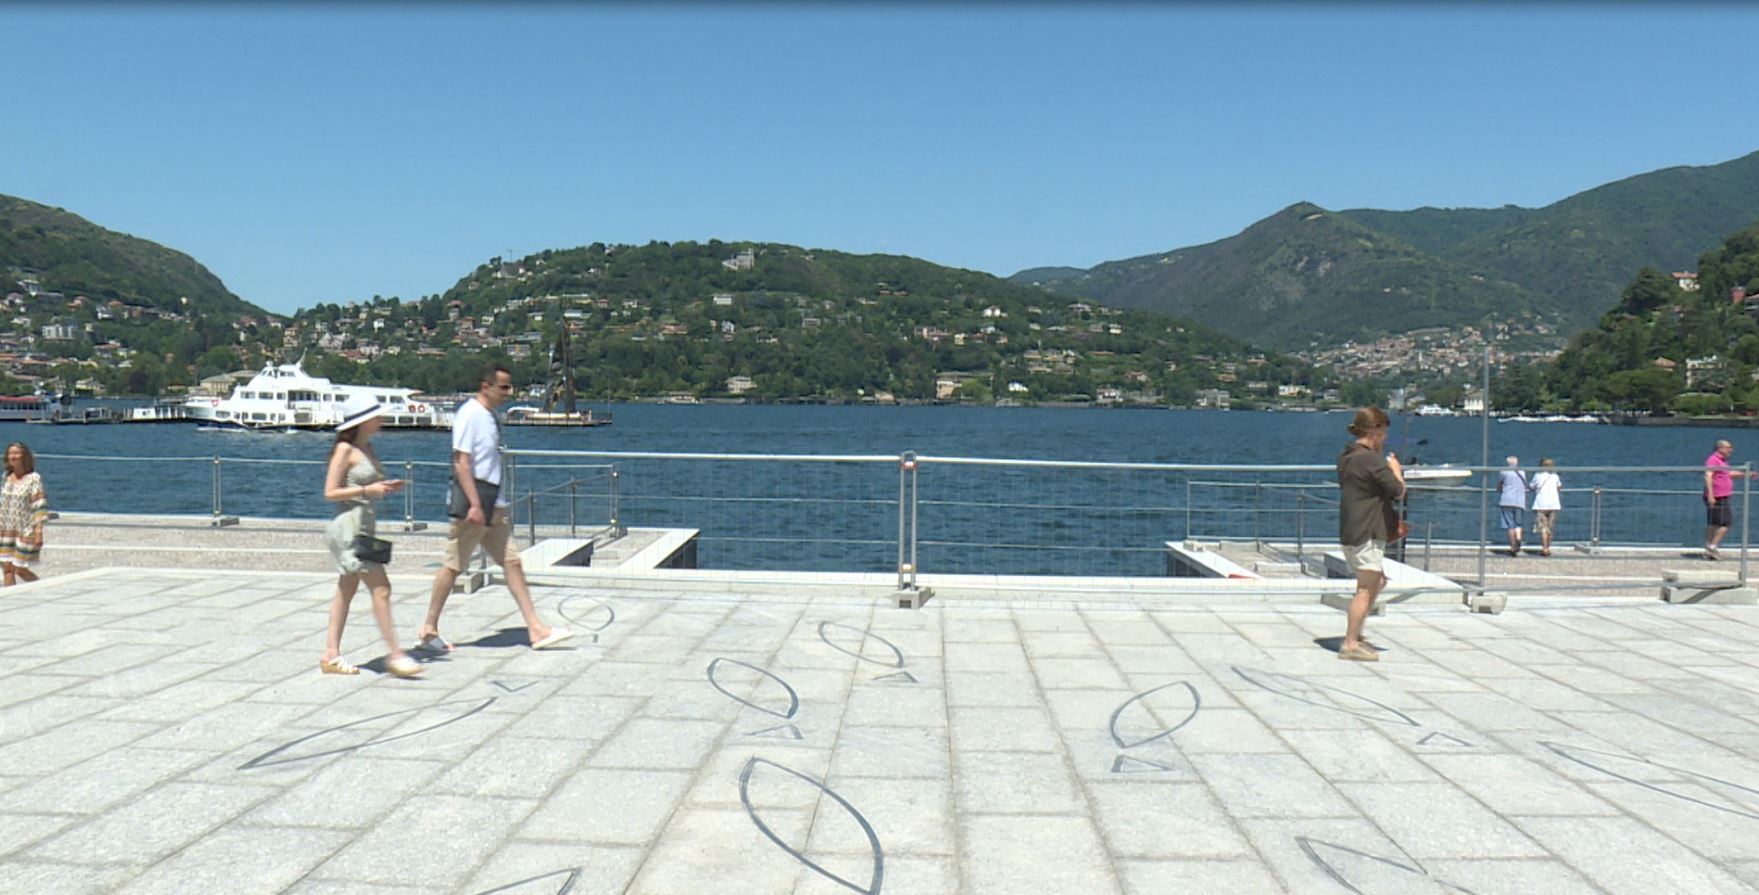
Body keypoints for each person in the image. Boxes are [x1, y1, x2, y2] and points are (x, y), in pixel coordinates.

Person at [417, 363, 572, 652]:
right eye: (503, 387)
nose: (509, 392)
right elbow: (461, 462)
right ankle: (428, 628)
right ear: (485, 386)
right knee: (453, 566)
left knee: (512, 563)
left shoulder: (490, 416)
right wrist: (475, 504)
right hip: (476, 506)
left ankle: (536, 629)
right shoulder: (470, 414)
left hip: (494, 506)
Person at [318, 395, 420, 677]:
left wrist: (383, 487)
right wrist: (366, 491)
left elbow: (367, 484)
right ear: (363, 421)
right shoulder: (344, 449)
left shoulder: (368, 447)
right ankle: (396, 655)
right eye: (377, 416)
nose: (382, 420)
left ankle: (331, 653)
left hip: (365, 526)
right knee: (381, 588)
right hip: (349, 528)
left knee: (346, 589)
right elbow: (329, 492)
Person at [1336, 407, 1406, 663]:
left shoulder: (1348, 456)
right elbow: (1397, 490)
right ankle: (1350, 642)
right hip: (1366, 531)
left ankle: (1356, 634)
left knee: (1376, 582)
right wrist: (1396, 468)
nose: (1386, 435)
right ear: (1374, 430)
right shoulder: (1371, 460)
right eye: (1384, 430)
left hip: (1353, 528)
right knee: (1366, 588)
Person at [0, 442, 48, 586]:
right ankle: (10, 600)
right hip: (5, 528)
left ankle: (42, 589)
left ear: (25, 456)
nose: (13, 456)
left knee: (20, 568)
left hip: (25, 529)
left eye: (17, 453)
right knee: (7, 568)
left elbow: (39, 505)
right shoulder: (6, 476)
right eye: (10, 453)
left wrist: (39, 531)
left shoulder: (33, 478)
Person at [1704, 439, 1747, 560]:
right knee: (1726, 523)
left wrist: (1745, 474)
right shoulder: (1713, 459)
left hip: (1722, 495)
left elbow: (1728, 474)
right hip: (1717, 496)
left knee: (1713, 523)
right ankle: (1712, 547)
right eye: (1728, 448)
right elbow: (1708, 475)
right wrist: (1711, 495)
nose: (1730, 450)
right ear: (1720, 448)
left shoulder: (1722, 462)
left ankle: (1709, 547)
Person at [1529, 458, 1562, 557]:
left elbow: (1531, 486)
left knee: (1543, 528)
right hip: (1554, 504)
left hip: (1541, 504)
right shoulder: (1555, 476)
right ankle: (1548, 546)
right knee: (1550, 527)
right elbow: (1559, 486)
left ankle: (1544, 548)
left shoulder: (1537, 476)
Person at [1498, 456, 1528, 556]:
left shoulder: (1504, 472)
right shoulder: (1522, 472)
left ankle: (1513, 546)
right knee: (1518, 523)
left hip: (1507, 500)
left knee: (1510, 525)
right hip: (1520, 501)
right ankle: (1518, 538)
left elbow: (1500, 484)